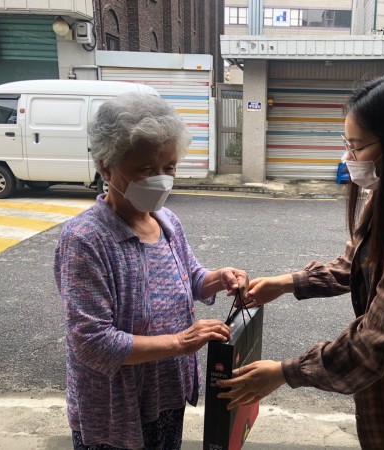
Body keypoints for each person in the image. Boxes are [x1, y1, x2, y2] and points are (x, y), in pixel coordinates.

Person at [218, 74, 384, 450]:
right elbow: (355, 265)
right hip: (381, 393)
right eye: (346, 144)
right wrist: (285, 283)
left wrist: (284, 372)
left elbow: (373, 343)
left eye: (357, 146)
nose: (347, 158)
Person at [54, 92, 248, 450]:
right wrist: (180, 342)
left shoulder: (165, 219)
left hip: (166, 395)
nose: (161, 179)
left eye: (169, 167)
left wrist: (217, 279)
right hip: (115, 411)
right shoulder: (85, 239)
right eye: (146, 169)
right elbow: (91, 341)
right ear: (106, 167)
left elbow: (190, 277)